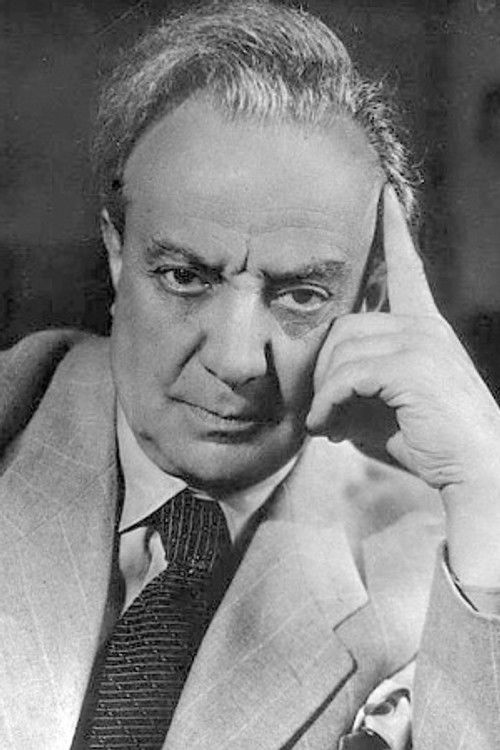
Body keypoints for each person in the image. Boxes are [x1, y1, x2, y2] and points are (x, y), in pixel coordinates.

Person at [2, 2, 500, 748]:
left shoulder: (453, 570)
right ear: (117, 254)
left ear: (369, 300)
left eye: (301, 295)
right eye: (185, 277)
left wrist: (488, 486)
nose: (237, 361)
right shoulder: (17, 407)